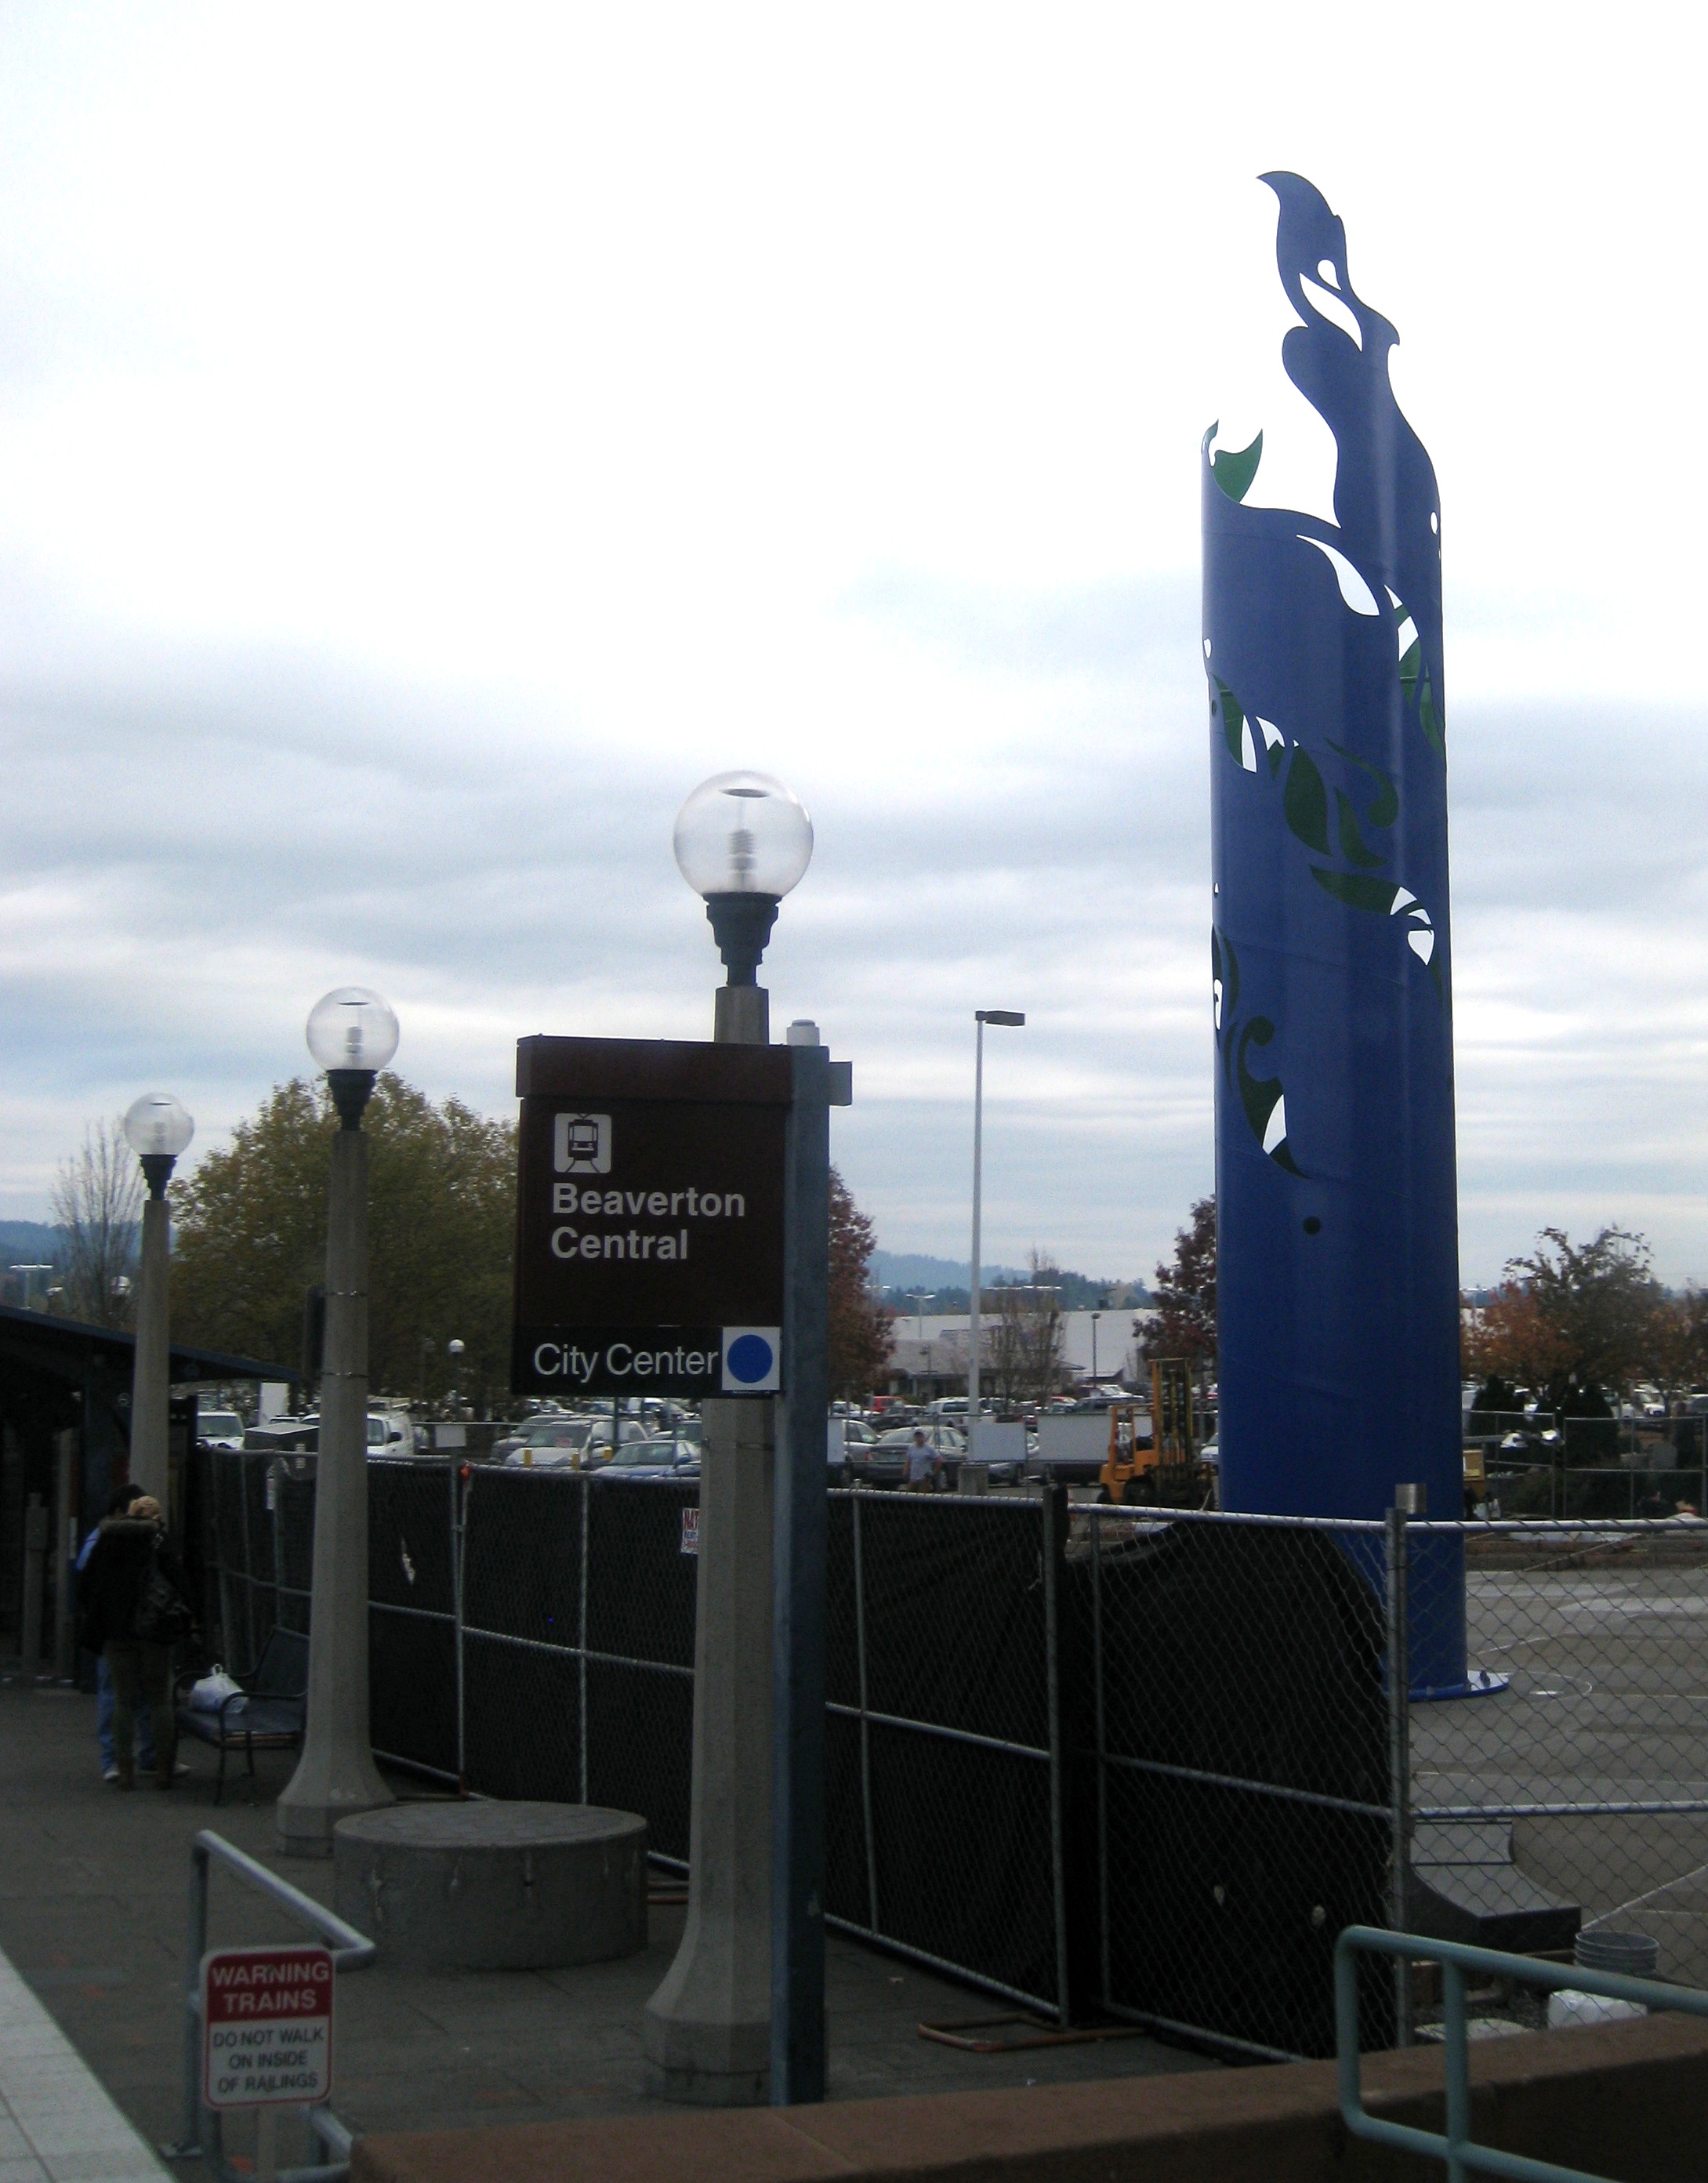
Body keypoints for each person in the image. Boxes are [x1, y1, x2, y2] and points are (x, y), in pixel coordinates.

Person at [78, 1494, 188, 1790]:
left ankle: (124, 1769)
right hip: (154, 1632)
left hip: (117, 1633)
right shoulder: (158, 1542)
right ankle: (164, 1768)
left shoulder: (108, 1540)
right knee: (159, 1700)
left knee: (123, 1701)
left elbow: (87, 1585)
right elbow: (180, 1582)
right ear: (155, 1516)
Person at [78, 1485, 158, 1784]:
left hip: (114, 1629)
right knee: (144, 1695)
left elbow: (87, 1583)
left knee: (116, 1695)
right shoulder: (151, 1540)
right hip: (142, 1628)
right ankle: (148, 1755)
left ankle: (116, 1761)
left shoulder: (102, 1541)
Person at [905, 1427, 941, 1492]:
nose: (919, 1438)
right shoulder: (911, 1448)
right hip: (913, 1478)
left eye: (920, 1436)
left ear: (924, 1437)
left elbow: (939, 1460)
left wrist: (933, 1472)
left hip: (924, 1479)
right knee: (909, 1494)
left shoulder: (929, 1448)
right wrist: (906, 1470)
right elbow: (909, 1460)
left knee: (922, 1495)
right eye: (917, 1436)